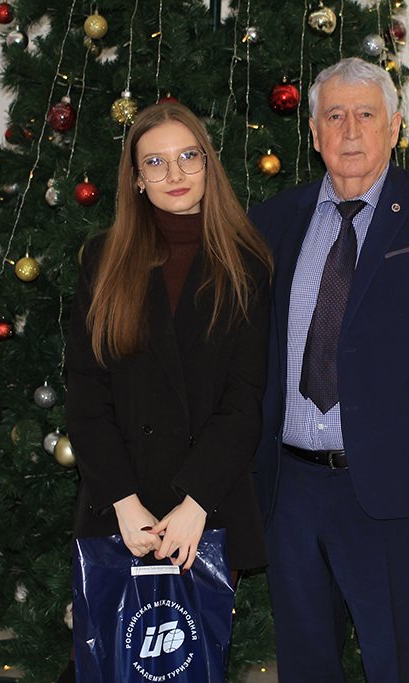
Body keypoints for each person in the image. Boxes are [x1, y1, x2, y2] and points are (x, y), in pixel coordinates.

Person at [248, 57, 409, 682]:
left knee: (395, 666)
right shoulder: (273, 221)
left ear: (395, 126)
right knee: (305, 666)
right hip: (291, 491)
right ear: (313, 132)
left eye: (365, 114)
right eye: (334, 116)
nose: (350, 131)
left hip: (393, 492)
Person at [65, 101, 273, 574]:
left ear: (207, 164)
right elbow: (86, 395)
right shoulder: (103, 260)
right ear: (137, 179)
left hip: (209, 507)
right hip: (120, 510)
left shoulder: (248, 264)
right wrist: (124, 503)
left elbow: (245, 400)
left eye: (188, 156)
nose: (175, 173)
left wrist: (195, 503)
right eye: (155, 162)